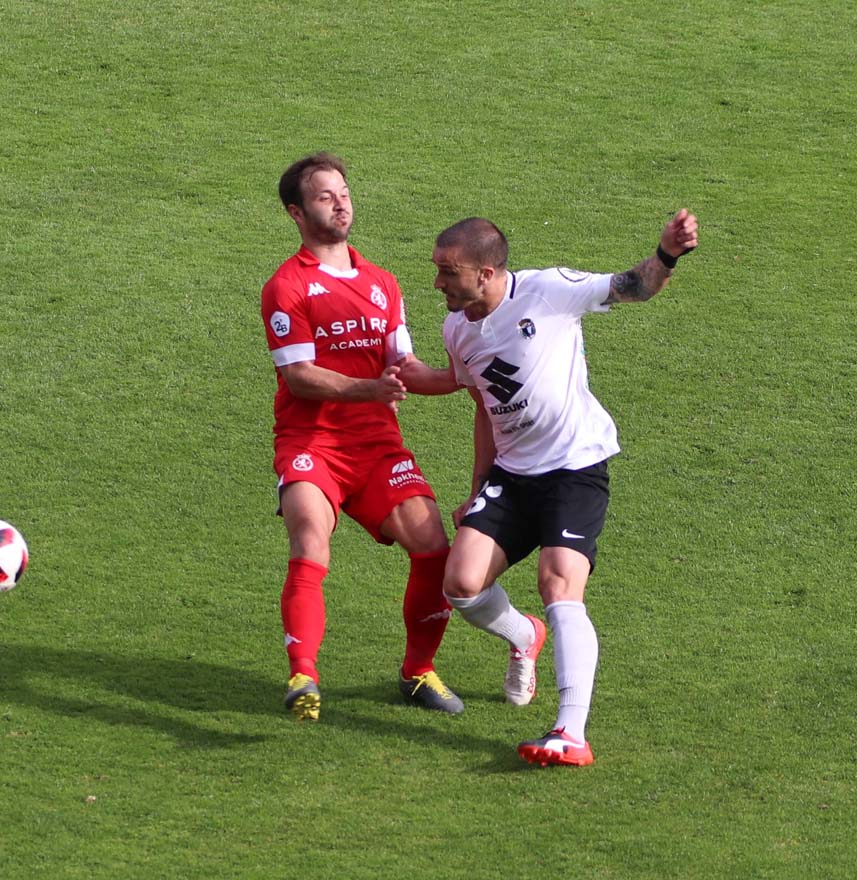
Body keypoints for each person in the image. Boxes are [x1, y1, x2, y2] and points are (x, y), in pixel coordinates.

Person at [399, 209, 699, 765]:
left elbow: (634, 287)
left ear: (486, 272)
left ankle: (570, 731)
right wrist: (478, 487)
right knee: (461, 586)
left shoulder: (550, 291)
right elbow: (483, 408)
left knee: (559, 584)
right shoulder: (457, 326)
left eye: (448, 270)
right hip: (511, 477)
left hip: (574, 468)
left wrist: (667, 254)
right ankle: (523, 636)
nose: (438, 281)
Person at [260, 152, 463, 721]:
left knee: (434, 548)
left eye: (344, 192)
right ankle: (303, 676)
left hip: (377, 447)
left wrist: (462, 377)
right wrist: (367, 389)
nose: (341, 202)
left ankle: (417, 673)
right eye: (325, 196)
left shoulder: (382, 282)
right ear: (296, 213)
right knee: (309, 539)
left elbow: (405, 366)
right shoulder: (286, 287)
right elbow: (298, 377)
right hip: (311, 443)